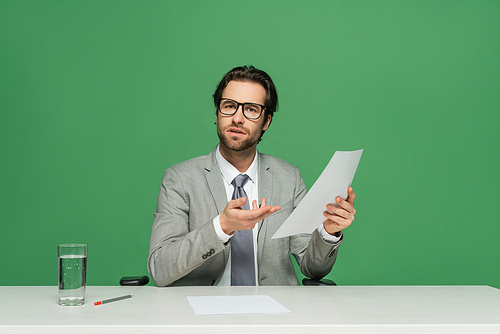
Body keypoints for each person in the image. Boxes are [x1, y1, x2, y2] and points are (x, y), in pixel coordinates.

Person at [148, 66, 356, 286]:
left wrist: (328, 232)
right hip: (206, 313)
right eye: (229, 106)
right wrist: (221, 227)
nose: (237, 118)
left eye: (251, 109)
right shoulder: (179, 179)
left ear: (266, 121)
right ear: (217, 114)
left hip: (275, 313)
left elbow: (312, 267)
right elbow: (161, 269)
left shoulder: (289, 177)